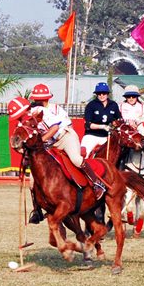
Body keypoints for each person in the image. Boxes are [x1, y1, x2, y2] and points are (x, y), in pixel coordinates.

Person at [26, 83, 108, 223]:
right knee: (32, 179)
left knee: (76, 159)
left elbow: (56, 128)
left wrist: (42, 140)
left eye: (41, 99)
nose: (38, 102)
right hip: (48, 144)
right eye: (37, 99)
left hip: (65, 137)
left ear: (47, 98)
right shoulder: (32, 112)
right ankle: (37, 210)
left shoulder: (56, 109)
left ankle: (96, 184)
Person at [81, 82, 121, 158]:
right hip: (92, 135)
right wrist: (102, 126)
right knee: (83, 154)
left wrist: (115, 123)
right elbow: (88, 125)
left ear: (107, 94)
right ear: (96, 94)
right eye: (99, 94)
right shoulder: (91, 105)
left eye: (104, 93)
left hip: (107, 136)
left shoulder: (113, 105)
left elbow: (118, 119)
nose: (102, 95)